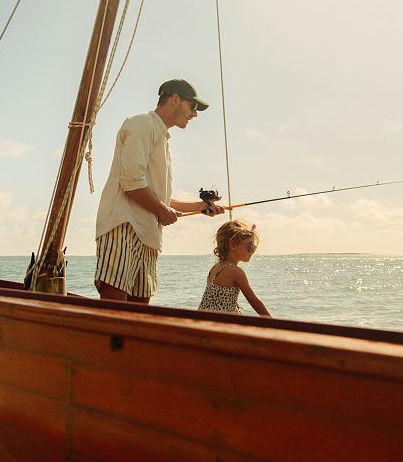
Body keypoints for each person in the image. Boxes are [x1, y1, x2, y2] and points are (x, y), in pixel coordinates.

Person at [94, 79, 225, 303]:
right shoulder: (142, 124)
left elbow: (158, 196)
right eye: (193, 107)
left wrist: (200, 207)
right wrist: (162, 211)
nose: (195, 114)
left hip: (148, 236)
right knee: (113, 310)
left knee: (139, 316)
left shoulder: (162, 136)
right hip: (125, 226)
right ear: (175, 100)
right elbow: (132, 181)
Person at [198, 219, 271, 317]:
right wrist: (274, 323)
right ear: (233, 245)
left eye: (254, 247)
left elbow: (218, 301)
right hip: (220, 323)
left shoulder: (216, 267)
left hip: (203, 319)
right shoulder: (236, 272)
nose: (252, 251)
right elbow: (255, 302)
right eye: (250, 246)